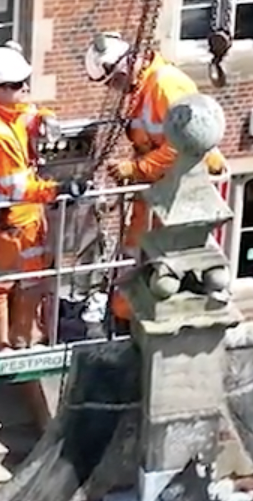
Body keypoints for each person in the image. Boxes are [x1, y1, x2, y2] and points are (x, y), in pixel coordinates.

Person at [82, 33, 225, 324]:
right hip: (160, 185)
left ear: (125, 66)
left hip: (179, 186)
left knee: (155, 252)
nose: (114, 88)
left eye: (113, 81)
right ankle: (124, 313)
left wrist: (136, 169)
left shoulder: (164, 85)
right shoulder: (144, 87)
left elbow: (182, 146)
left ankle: (133, 315)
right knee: (137, 247)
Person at [0, 45, 84, 352]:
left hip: (27, 216)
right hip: (11, 218)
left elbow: (29, 115)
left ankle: (28, 337)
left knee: (35, 277)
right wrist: (57, 190)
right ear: (0, 88)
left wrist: (45, 118)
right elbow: (16, 188)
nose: (26, 89)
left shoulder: (9, 112)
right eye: (20, 86)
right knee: (1, 284)